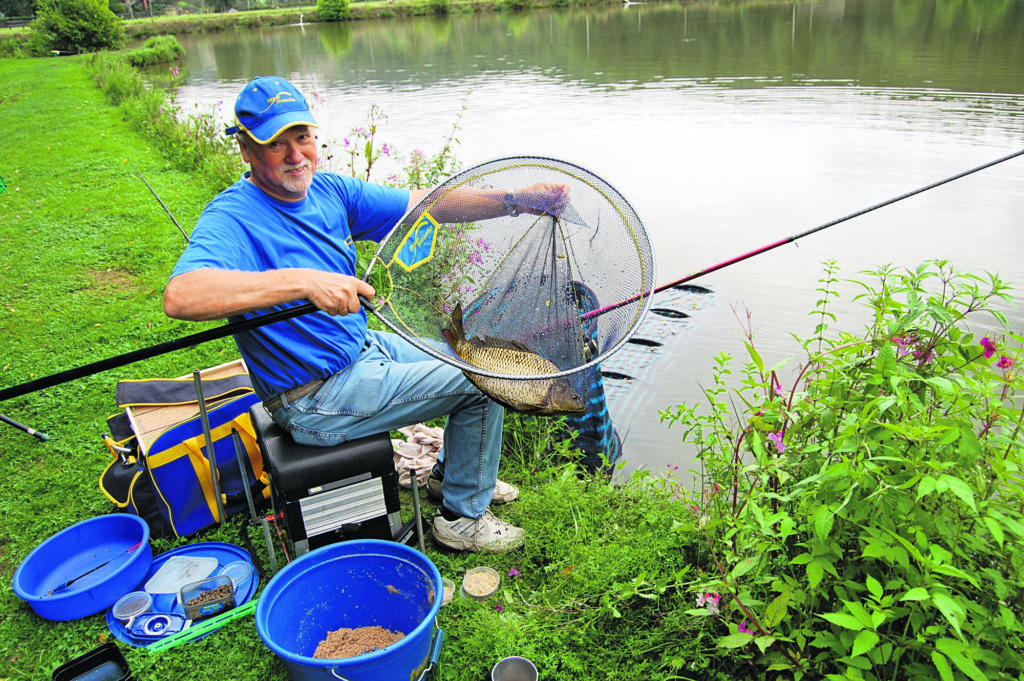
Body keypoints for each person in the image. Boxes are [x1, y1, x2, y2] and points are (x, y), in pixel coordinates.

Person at [164, 76, 563, 553]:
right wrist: (303, 281)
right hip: (312, 397)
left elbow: (425, 206)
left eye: (302, 137)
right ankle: (462, 520)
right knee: (483, 379)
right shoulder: (232, 217)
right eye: (275, 144)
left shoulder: (329, 191)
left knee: (477, 358)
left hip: (361, 350)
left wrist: (517, 201)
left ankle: (450, 478)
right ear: (246, 150)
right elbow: (182, 296)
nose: (295, 155)